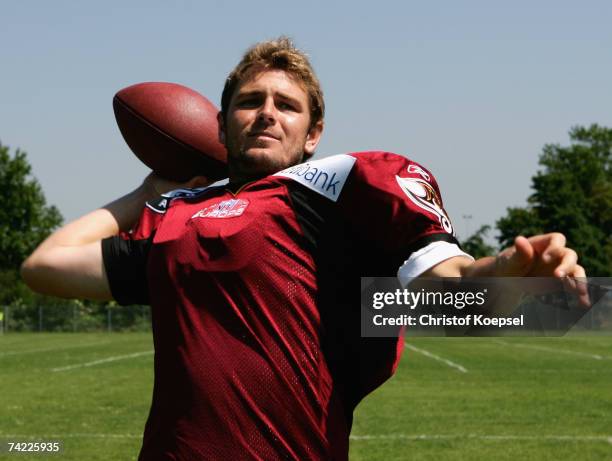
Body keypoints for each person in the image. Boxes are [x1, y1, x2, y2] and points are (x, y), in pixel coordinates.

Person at [21, 37, 586, 460]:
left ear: (314, 134)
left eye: (286, 105)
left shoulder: (341, 185)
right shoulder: (178, 221)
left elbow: (437, 287)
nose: (266, 112)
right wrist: (145, 193)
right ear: (219, 128)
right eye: (250, 101)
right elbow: (44, 265)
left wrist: (500, 284)